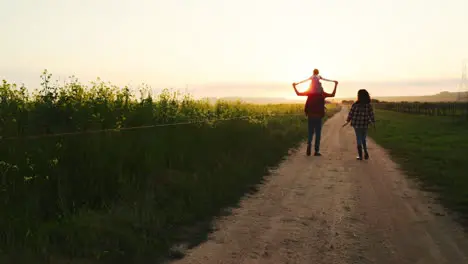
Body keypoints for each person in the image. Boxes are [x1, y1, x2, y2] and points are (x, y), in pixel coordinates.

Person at [292, 73, 338, 156]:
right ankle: (316, 151)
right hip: (318, 116)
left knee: (310, 132)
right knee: (318, 133)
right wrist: (336, 85)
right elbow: (333, 94)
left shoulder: (310, 93)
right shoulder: (322, 94)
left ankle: (309, 145)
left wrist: (294, 86)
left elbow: (298, 93)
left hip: (310, 115)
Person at [342, 89, 376, 160]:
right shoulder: (368, 105)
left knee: (358, 138)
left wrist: (347, 121)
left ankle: (360, 156)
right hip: (365, 123)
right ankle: (366, 153)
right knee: (364, 138)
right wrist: (373, 122)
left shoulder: (355, 104)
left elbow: (351, 113)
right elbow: (371, 114)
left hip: (356, 124)